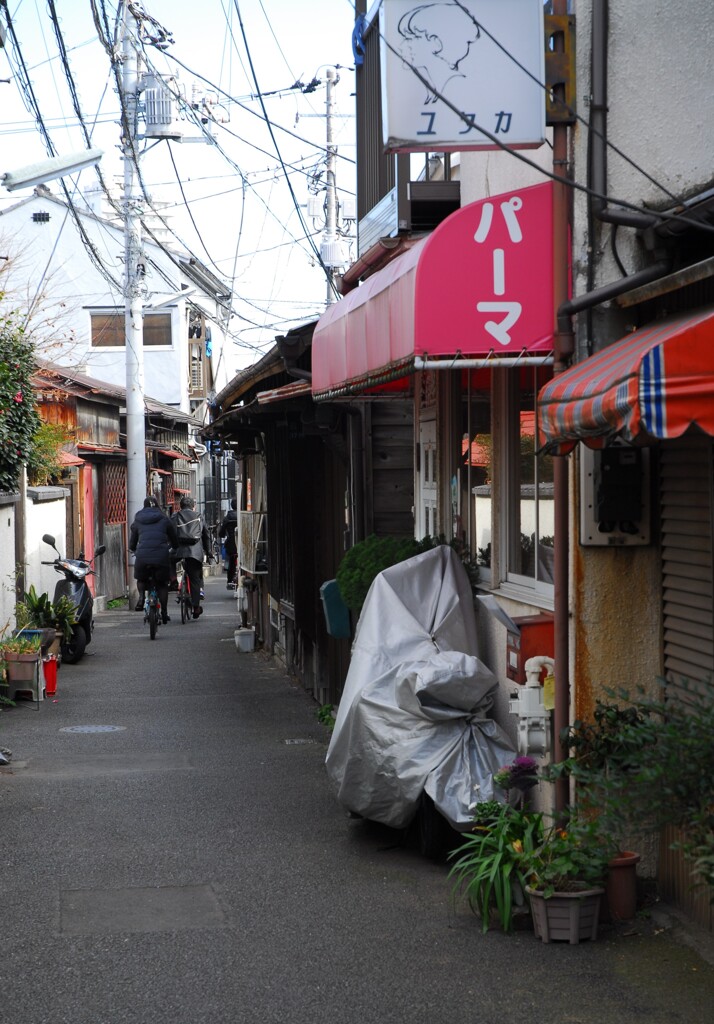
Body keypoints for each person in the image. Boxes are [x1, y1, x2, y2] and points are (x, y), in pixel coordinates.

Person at [129, 496, 179, 624]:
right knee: (162, 584)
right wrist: (174, 546)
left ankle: (141, 597)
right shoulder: (164, 518)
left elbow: (132, 541)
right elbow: (173, 536)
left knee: (141, 579)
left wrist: (133, 548)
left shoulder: (138, 518)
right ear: (157, 505)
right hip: (161, 555)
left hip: (143, 555)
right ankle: (164, 612)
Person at [171, 495, 212, 618]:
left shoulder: (175, 516)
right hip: (195, 553)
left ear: (180, 506)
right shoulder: (199, 516)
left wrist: (172, 546)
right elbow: (206, 535)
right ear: (193, 506)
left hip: (178, 551)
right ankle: (196, 607)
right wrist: (208, 551)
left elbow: (171, 532)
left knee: (170, 560)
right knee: (195, 579)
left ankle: (173, 579)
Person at [219, 497, 238, 589]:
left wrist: (222, 534)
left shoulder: (227, 518)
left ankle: (230, 580)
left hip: (231, 545)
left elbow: (221, 533)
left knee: (230, 561)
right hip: (241, 544)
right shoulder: (242, 515)